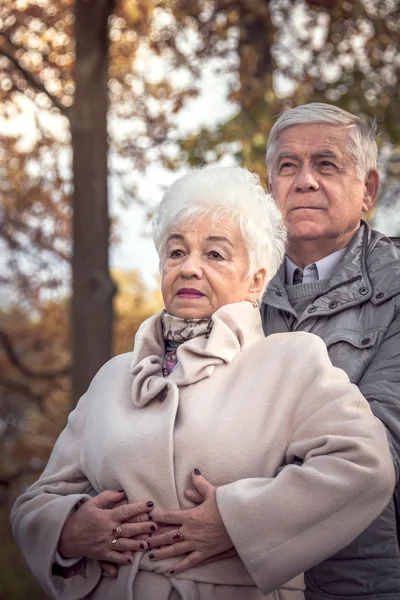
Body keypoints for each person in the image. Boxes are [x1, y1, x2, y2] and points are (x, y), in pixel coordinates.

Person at [11, 166, 394, 600]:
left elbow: (365, 466)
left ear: (255, 280)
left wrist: (237, 522)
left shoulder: (292, 360)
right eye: (176, 253)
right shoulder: (113, 377)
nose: (189, 268)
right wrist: (69, 529)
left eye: (214, 255)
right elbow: (35, 503)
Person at [261, 102, 400, 599]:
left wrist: (236, 515)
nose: (304, 181)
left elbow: (377, 448)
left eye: (326, 163)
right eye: (288, 166)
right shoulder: (229, 284)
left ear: (368, 189)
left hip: (362, 581)